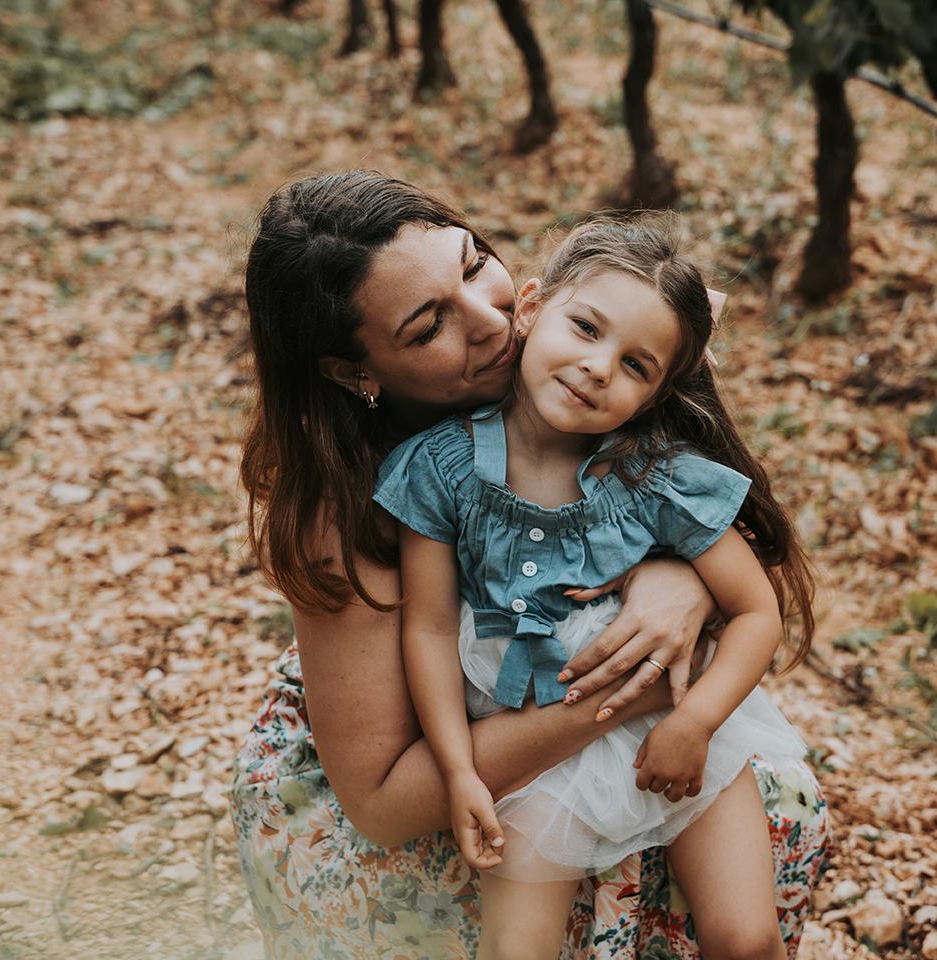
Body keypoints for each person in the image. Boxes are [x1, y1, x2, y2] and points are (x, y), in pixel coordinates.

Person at [230, 171, 832, 960]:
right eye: (426, 327)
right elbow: (381, 799)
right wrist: (635, 693)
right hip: (446, 765)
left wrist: (680, 579)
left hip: (607, 720)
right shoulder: (355, 503)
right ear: (353, 372)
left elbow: (726, 541)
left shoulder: (590, 348)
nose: (491, 322)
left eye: (475, 263)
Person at [375, 215, 818, 960]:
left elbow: (754, 612)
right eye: (585, 328)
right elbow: (425, 627)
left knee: (747, 939)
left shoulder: (657, 476)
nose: (598, 367)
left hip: (671, 729)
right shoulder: (442, 469)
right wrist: (459, 770)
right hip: (532, 744)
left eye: (637, 365)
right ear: (530, 307)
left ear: (653, 395)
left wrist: (697, 722)